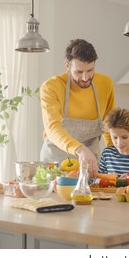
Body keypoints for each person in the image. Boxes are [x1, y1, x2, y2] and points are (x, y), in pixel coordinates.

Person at [40, 39, 116, 177]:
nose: (85, 77)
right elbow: (52, 128)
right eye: (79, 72)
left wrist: (115, 155)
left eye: (90, 70)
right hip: (54, 166)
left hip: (90, 166)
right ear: (67, 66)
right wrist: (80, 149)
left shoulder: (105, 83)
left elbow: (109, 125)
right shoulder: (51, 87)